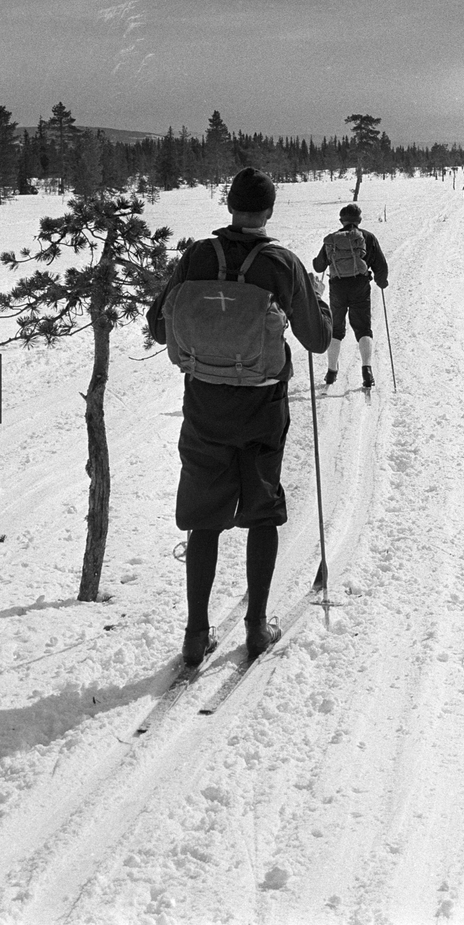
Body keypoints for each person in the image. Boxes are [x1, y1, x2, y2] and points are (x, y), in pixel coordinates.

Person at [147, 168, 332, 666]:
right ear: (268, 211)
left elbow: (159, 329)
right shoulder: (282, 263)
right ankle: (255, 629)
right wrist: (317, 300)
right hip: (261, 405)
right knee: (261, 510)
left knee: (204, 517)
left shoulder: (197, 256)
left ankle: (194, 635)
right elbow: (316, 339)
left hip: (205, 401)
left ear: (228, 205)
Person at [312, 202, 388, 389]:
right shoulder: (367, 237)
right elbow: (381, 266)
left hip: (337, 286)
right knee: (363, 328)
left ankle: (331, 372)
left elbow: (318, 266)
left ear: (342, 220)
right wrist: (381, 281)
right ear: (359, 220)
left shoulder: (332, 240)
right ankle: (367, 370)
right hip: (359, 285)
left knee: (336, 328)